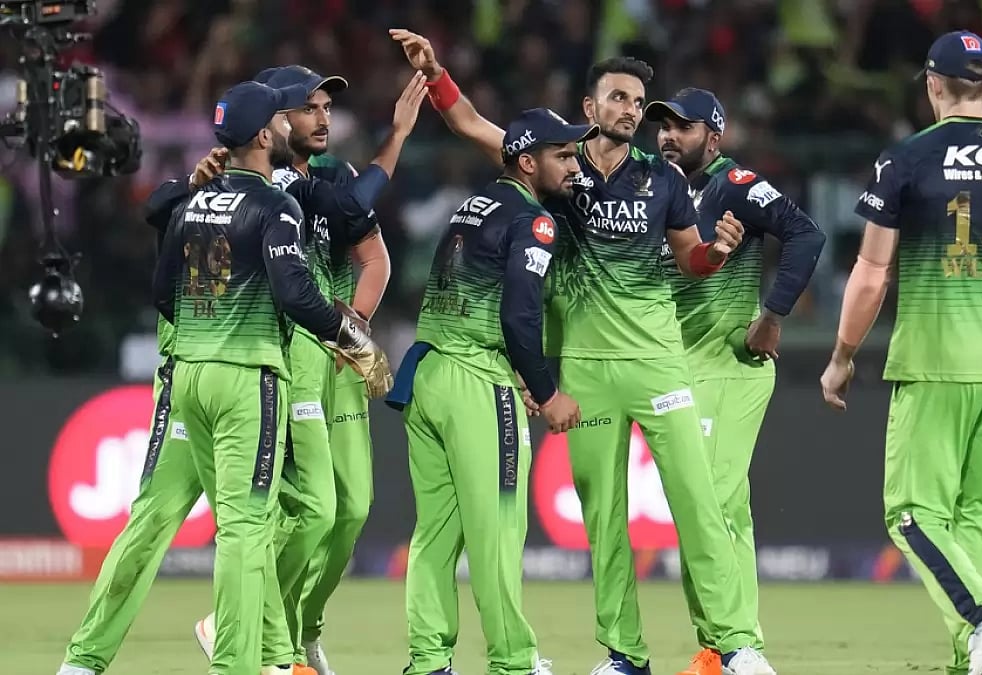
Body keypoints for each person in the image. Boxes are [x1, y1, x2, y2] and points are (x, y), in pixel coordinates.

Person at [391, 29, 774, 675]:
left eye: (638, 100)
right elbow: (470, 123)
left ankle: (735, 644)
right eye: (618, 97)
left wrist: (719, 251)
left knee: (701, 506)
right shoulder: (556, 171)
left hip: (658, 361)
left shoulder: (666, 181)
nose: (631, 108)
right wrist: (435, 72)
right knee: (604, 523)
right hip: (587, 369)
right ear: (591, 108)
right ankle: (626, 653)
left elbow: (691, 261)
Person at [818, 31, 982, 675]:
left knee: (911, 514)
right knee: (978, 521)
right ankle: (972, 655)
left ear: (932, 85)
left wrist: (843, 354)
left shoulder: (907, 161)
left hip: (936, 360)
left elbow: (871, 271)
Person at [53, 84, 312, 675]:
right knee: (209, 523)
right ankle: (100, 660)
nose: (303, 121)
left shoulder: (245, 194)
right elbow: (156, 209)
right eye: (295, 112)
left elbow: (163, 269)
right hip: (221, 380)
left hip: (204, 377)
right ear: (266, 132)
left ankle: (268, 657)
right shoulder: (242, 196)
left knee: (223, 525)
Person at [190, 64, 425, 675]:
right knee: (307, 507)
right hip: (287, 356)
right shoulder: (266, 184)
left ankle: (302, 626)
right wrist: (396, 137)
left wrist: (357, 323)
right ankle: (258, 629)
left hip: (337, 356)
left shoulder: (330, 174)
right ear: (274, 122)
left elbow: (374, 257)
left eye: (327, 108)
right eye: (310, 109)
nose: (324, 118)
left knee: (351, 510)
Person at [384, 107, 595, 675]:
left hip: (426, 373)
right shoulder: (536, 221)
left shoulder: (474, 204)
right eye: (564, 155)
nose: (574, 166)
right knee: (498, 530)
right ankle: (514, 661)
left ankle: (428, 662)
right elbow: (520, 313)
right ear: (528, 162)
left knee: (437, 533)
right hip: (477, 383)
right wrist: (548, 393)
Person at [644, 88, 826, 675]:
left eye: (684, 128)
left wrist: (771, 315)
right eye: (663, 126)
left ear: (714, 138)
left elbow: (806, 235)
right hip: (672, 366)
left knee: (710, 505)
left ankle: (737, 648)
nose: (669, 136)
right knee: (721, 513)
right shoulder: (651, 189)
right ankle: (718, 647)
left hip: (728, 364)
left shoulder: (736, 184)